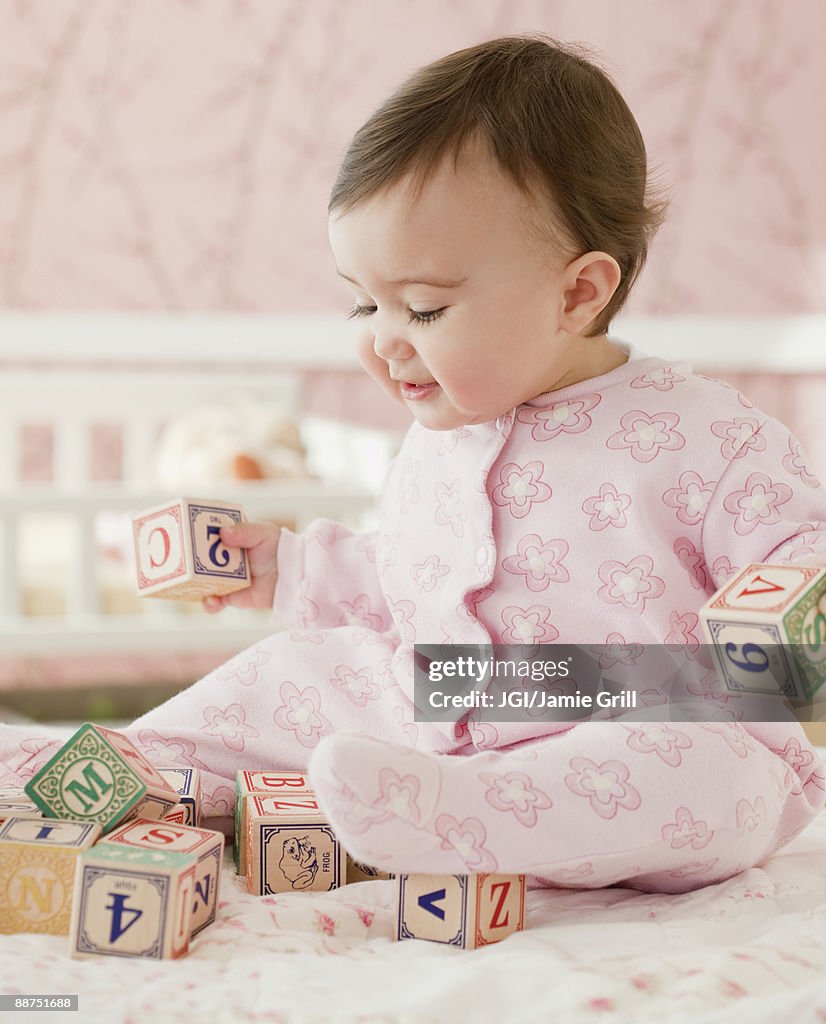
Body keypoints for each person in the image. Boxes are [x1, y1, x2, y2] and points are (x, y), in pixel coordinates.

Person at [4, 34, 825, 893]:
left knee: (701, 769)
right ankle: (119, 771)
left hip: (633, 709)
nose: (382, 339)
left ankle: (474, 818)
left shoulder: (707, 436)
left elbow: (797, 557)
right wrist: (287, 568)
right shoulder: (442, 434)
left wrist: (792, 610)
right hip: (446, 703)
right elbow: (405, 584)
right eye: (363, 301)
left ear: (577, 293)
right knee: (287, 675)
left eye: (425, 309)